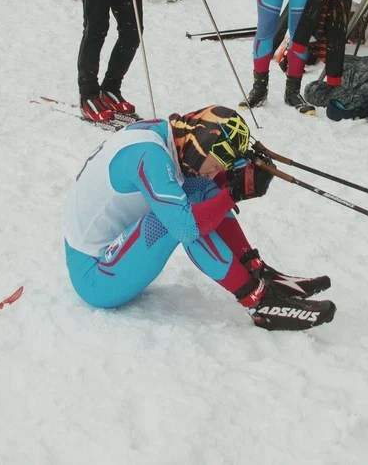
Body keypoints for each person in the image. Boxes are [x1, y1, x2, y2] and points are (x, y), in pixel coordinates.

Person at [63, 105, 335, 330]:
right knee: (178, 218)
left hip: (115, 253)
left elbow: (205, 175)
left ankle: (257, 271)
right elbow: (185, 227)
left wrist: (240, 172)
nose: (214, 171)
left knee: (199, 187)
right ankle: (259, 302)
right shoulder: (149, 155)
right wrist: (233, 193)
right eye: (217, 163)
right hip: (96, 276)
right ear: (200, 146)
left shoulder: (173, 136)